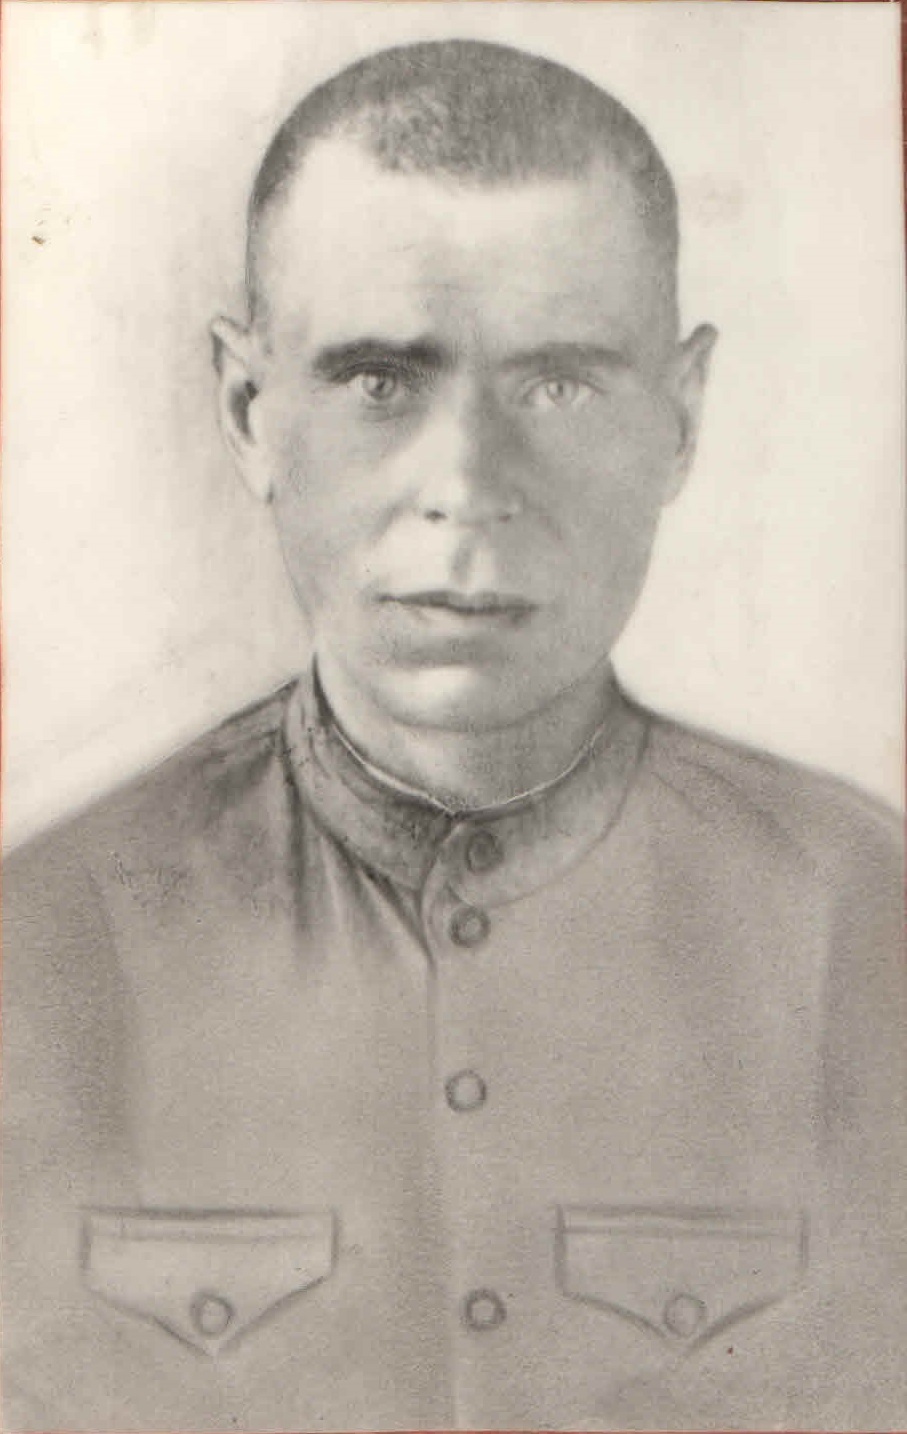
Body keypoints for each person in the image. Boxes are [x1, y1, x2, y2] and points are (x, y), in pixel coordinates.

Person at [2, 37, 903, 1434]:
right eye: (380, 383)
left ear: (681, 419)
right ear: (249, 412)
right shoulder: (45, 939)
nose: (469, 488)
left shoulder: (863, 922)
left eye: (559, 385)